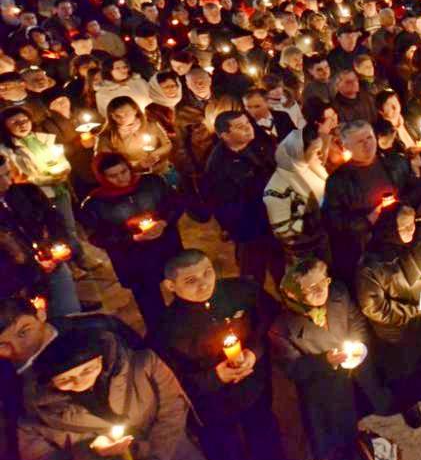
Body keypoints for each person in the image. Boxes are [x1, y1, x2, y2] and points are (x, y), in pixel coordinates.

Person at [152, 249, 286, 460]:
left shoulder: (241, 290)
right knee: (226, 450)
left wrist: (253, 351)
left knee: (263, 430)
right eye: (191, 280)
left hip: (255, 385)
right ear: (170, 286)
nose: (204, 284)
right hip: (212, 404)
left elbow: (270, 316)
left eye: (208, 272)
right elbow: (167, 383)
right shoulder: (165, 329)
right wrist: (214, 377)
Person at [18, 326, 210, 460]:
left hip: (172, 452)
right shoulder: (36, 418)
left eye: (88, 370)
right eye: (66, 379)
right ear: (49, 383)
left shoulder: (144, 365)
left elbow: (173, 409)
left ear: (101, 359)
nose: (79, 382)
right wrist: (92, 453)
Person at [269, 256, 390, 460]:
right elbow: (294, 369)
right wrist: (326, 361)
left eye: (323, 281)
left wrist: (358, 345)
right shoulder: (281, 330)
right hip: (326, 390)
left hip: (356, 375)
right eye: (311, 287)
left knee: (362, 410)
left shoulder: (338, 294)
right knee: (339, 441)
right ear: (292, 294)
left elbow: (356, 322)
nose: (320, 290)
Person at [356, 206, 421, 428]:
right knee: (406, 370)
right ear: (390, 229)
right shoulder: (372, 265)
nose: (412, 230)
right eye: (405, 227)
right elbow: (375, 308)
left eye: (413, 223)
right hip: (399, 333)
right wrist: (418, 310)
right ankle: (409, 403)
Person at [79, 152, 183, 330]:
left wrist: (164, 222)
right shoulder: (95, 204)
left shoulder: (152, 182)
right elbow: (97, 236)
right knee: (150, 305)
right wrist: (132, 237)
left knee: (181, 288)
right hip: (134, 260)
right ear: (101, 177)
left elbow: (176, 203)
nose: (122, 179)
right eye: (113, 176)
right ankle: (162, 336)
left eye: (124, 171)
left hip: (166, 248)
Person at [323, 120, 417, 282]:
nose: (367, 145)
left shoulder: (395, 162)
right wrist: (370, 218)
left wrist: (402, 205)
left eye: (369, 138)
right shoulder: (338, 181)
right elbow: (334, 222)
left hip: (404, 240)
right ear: (346, 147)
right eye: (360, 141)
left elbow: (415, 188)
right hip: (369, 251)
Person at [199, 109, 283, 286]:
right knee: (253, 274)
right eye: (239, 127)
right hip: (250, 228)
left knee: (279, 266)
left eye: (247, 123)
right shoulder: (219, 165)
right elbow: (224, 206)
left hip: (273, 218)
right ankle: (258, 310)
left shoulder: (257, 144)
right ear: (225, 135)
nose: (248, 128)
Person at [0, 154, 81, 317]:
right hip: (23, 284)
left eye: (8, 173)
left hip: (54, 268)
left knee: (71, 316)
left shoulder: (27, 192)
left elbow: (55, 220)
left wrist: (59, 247)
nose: (6, 181)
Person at [264, 124, 331, 266]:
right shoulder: (278, 187)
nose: (320, 155)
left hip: (325, 239)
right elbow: (284, 232)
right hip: (305, 251)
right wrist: (316, 217)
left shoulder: (313, 167)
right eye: (315, 151)